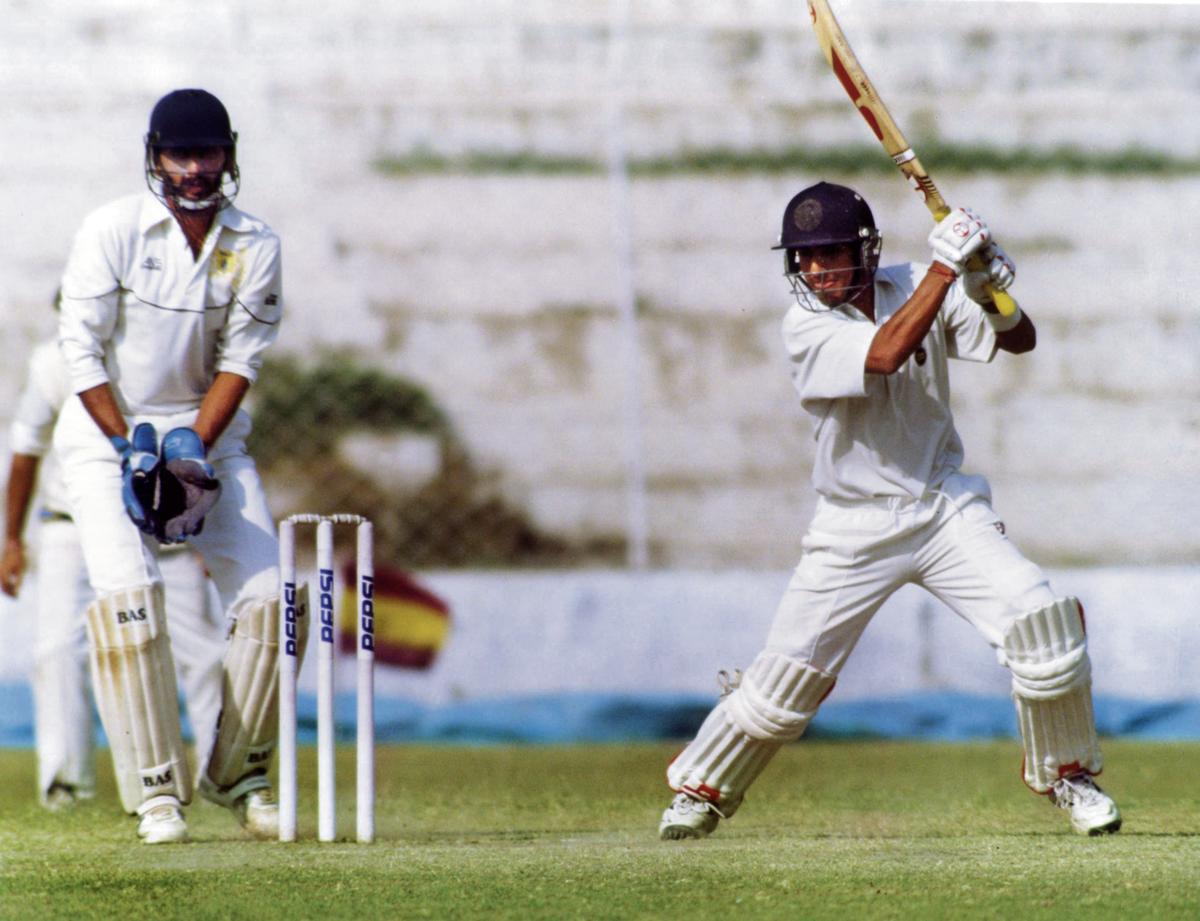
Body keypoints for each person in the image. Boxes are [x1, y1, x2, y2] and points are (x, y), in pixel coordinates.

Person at [658, 181, 1121, 840]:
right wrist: (945, 267)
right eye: (804, 257)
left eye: (830, 253)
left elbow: (1021, 340)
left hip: (943, 507)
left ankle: (1068, 773)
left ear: (865, 251)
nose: (815, 270)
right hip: (852, 525)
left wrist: (986, 284)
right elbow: (885, 353)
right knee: (783, 686)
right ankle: (701, 788)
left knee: (1041, 623)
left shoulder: (914, 284)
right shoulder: (806, 325)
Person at [53, 88, 289, 844]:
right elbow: (80, 351)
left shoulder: (254, 242)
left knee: (271, 601)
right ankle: (157, 792)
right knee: (131, 598)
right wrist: (132, 445)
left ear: (229, 153)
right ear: (155, 155)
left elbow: (239, 361)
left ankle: (240, 773)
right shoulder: (113, 228)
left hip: (206, 438)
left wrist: (190, 449)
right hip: (105, 440)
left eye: (208, 153)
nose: (195, 169)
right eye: (180, 155)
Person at [2, 333, 226, 811]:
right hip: (73, 527)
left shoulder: (176, 351)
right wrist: (13, 540)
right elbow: (26, 449)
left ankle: (218, 774)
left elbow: (214, 446)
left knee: (204, 652)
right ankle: (66, 781)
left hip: (166, 527)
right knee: (58, 650)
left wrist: (213, 533)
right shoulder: (54, 361)